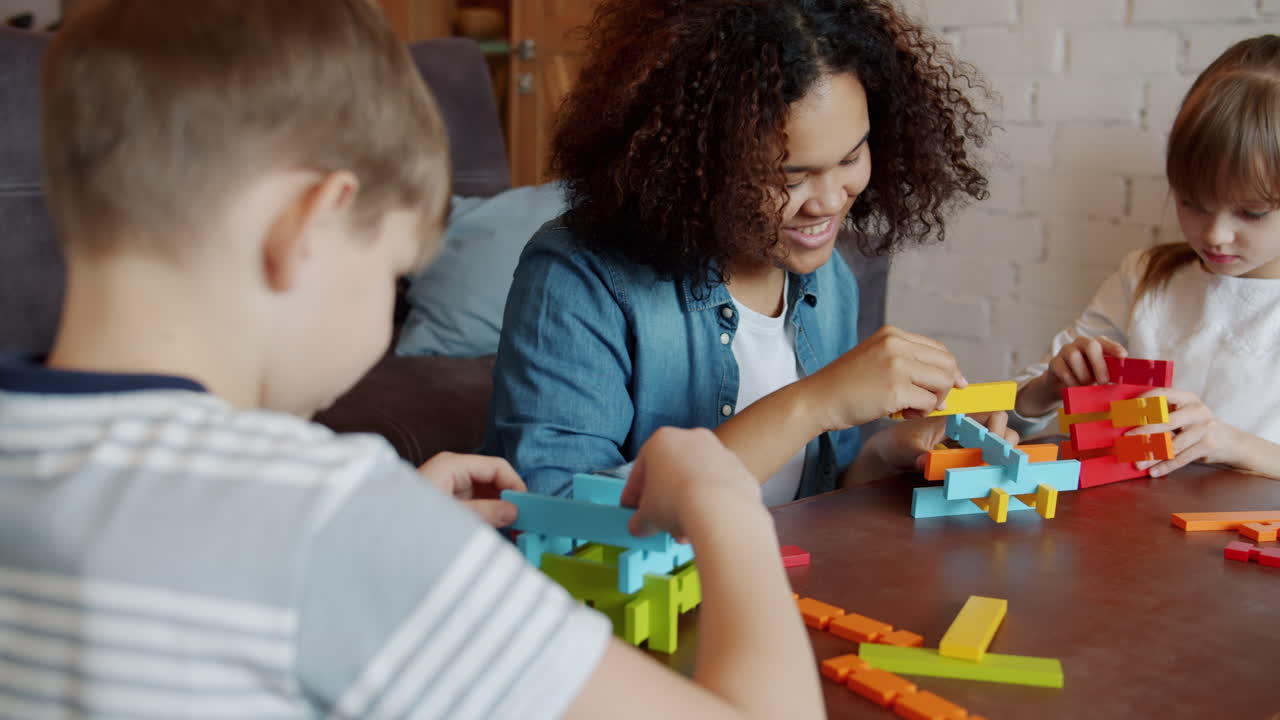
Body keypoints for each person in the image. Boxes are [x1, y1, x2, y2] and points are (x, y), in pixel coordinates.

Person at [0, 1, 824, 717]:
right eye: (396, 270)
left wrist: (394, 546)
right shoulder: (328, 520)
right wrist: (724, 501)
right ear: (311, 223)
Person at [483, 0, 1012, 502]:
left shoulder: (829, 283)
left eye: (851, 157)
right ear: (696, 165)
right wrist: (814, 403)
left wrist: (884, 455)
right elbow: (560, 527)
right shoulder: (578, 278)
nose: (829, 203)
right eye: (790, 176)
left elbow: (812, 500)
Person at [1012, 35, 1280, 480]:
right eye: (1192, 203)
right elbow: (1016, 417)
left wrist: (1233, 444)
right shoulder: (1147, 276)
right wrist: (1047, 388)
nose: (1215, 234)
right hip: (1127, 533)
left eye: (1250, 213)